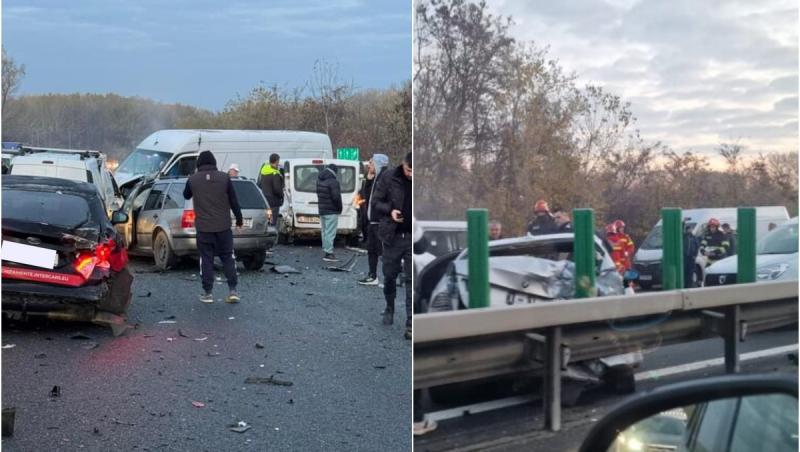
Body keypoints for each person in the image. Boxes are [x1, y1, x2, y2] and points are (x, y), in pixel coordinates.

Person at [183, 150, 243, 304]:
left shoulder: (193, 179)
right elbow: (234, 201)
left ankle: (208, 293)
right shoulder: (225, 178)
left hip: (204, 229)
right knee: (228, 257)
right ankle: (233, 291)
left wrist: (195, 178)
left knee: (206, 259)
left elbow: (186, 195)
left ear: (199, 164)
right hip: (223, 227)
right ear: (214, 163)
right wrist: (239, 219)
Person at [372, 152, 412, 339]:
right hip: (393, 236)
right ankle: (390, 307)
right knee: (390, 275)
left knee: (413, 280)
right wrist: (391, 211)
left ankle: (411, 322)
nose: (411, 174)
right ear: (403, 164)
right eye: (409, 170)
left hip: (413, 237)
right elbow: (375, 203)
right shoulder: (389, 178)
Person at [358, 154, 390, 285]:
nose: (369, 166)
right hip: (372, 222)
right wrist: (369, 180)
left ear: (378, 163)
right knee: (372, 250)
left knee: (384, 252)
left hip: (380, 222)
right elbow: (366, 197)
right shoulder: (376, 178)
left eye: (371, 163)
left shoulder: (385, 178)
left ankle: (395, 275)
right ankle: (372, 275)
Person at [316, 163, 343, 262]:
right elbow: (336, 197)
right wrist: (340, 208)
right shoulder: (333, 182)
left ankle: (326, 249)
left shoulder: (319, 180)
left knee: (324, 231)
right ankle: (329, 253)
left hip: (322, 209)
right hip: (332, 210)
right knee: (330, 232)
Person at [259, 153, 283, 227]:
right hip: (274, 201)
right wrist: (282, 195)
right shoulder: (275, 173)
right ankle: (273, 236)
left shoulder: (263, 171)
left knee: (268, 220)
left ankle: (267, 232)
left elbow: (259, 184)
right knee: (273, 223)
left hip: (265, 200)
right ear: (277, 161)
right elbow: (277, 189)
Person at [683, 221, 699, 288]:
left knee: (691, 272)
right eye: (688, 229)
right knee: (685, 271)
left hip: (691, 257)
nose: (689, 230)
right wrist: (683, 222)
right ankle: (685, 284)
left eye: (690, 229)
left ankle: (690, 284)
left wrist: (695, 255)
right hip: (685, 257)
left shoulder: (694, 237)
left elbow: (697, 246)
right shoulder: (684, 237)